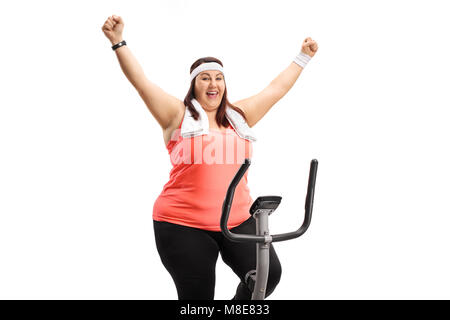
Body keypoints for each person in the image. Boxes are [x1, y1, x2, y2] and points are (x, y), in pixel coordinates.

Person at [101, 14, 318, 300]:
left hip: (238, 220)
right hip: (183, 223)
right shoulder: (176, 115)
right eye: (205, 78)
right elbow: (142, 82)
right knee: (198, 299)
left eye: (218, 78)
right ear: (194, 85)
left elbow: (275, 90)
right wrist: (119, 42)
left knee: (267, 277)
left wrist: (303, 56)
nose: (212, 83)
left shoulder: (240, 116)